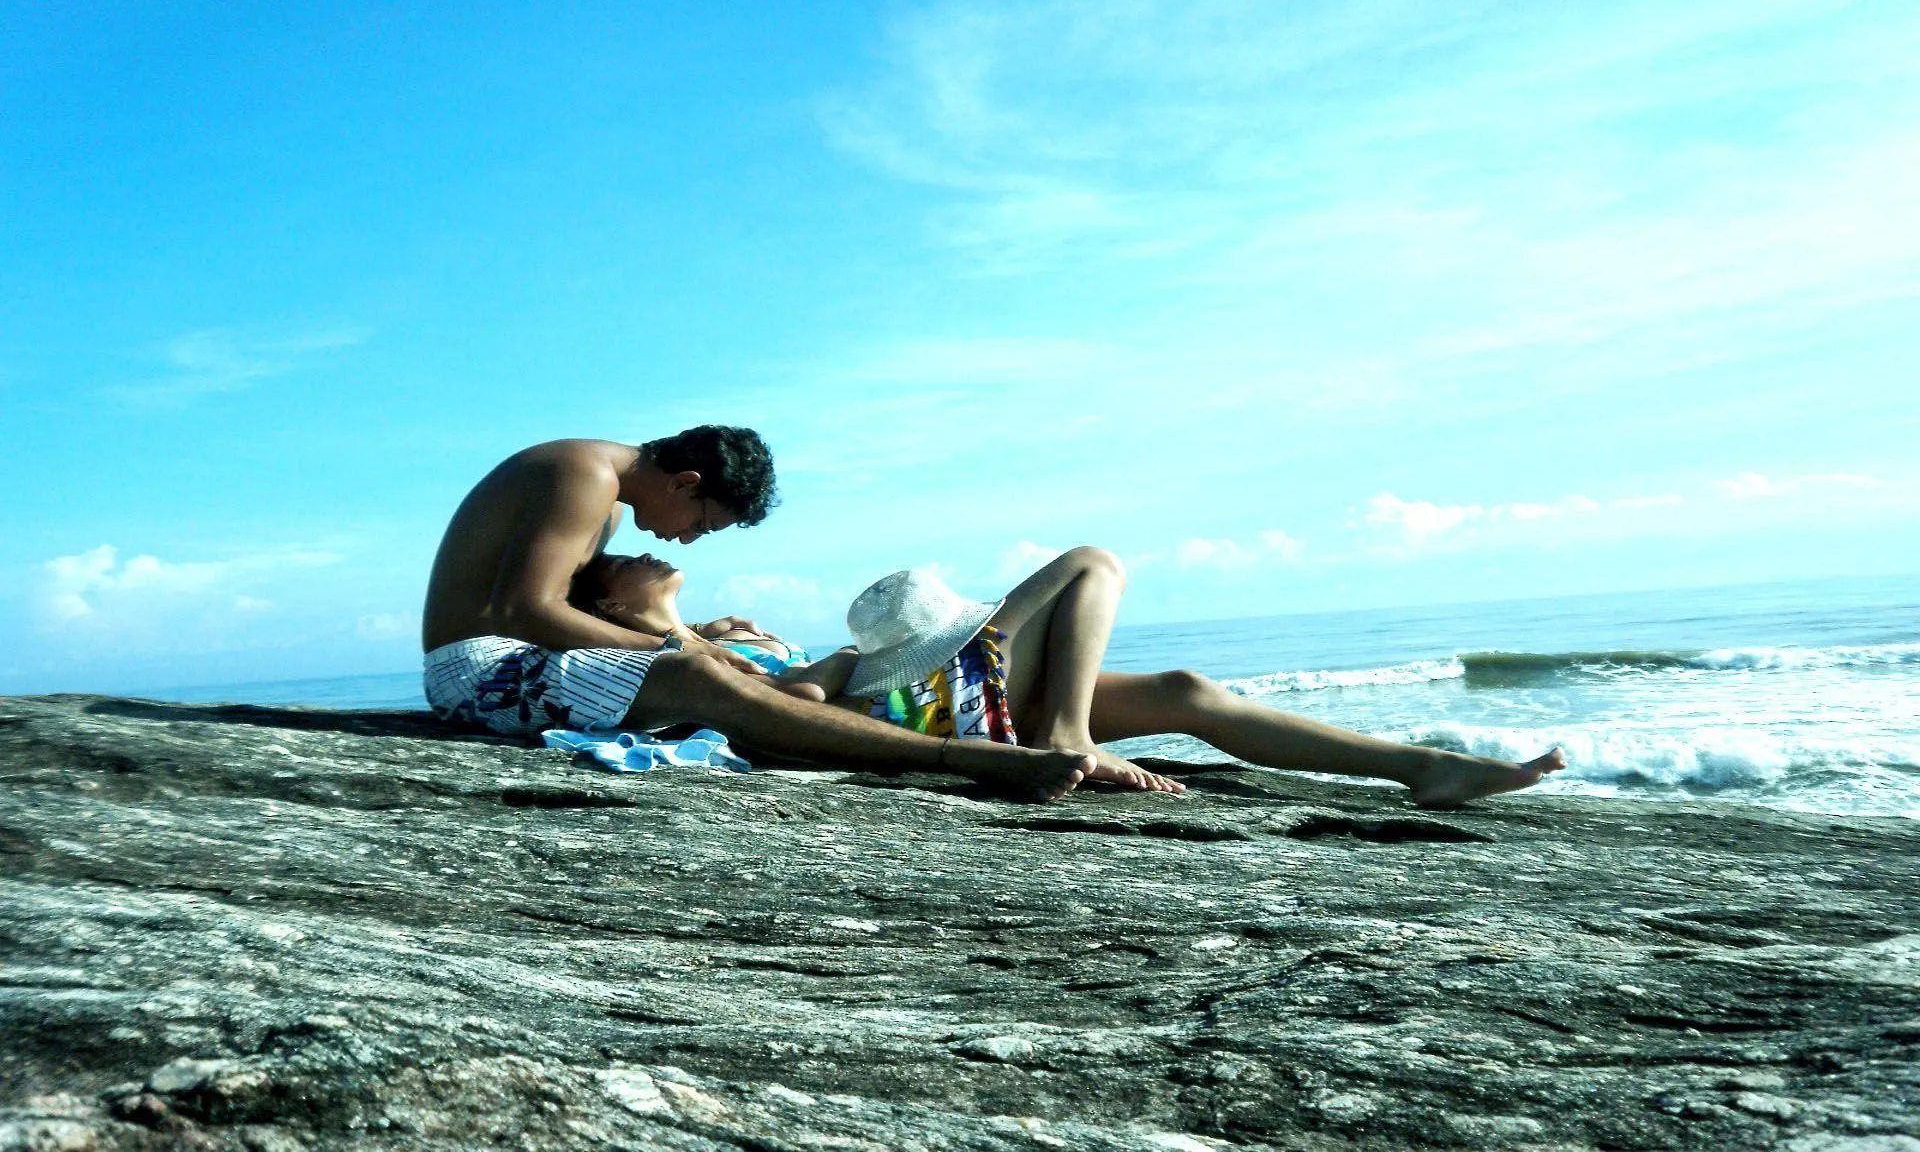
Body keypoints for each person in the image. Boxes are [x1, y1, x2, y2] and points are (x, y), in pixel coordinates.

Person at [568, 546, 1567, 808]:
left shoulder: (703, 631)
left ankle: (1422, 767)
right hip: (914, 705)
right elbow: (781, 711)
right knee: (1091, 562)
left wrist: (728, 634)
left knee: (1182, 692)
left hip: (936, 692)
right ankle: (1069, 736)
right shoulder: (657, 651)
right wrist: (816, 669)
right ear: (610, 602)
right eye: (627, 564)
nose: (656, 554)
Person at [421, 429, 1098, 801]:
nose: (686, 540)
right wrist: (679, 649)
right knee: (703, 681)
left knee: (719, 678)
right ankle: (967, 756)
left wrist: (694, 634)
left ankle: (936, 737)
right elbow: (526, 609)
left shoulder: (598, 488)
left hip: (517, 661)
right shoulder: (585, 474)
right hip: (478, 670)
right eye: (701, 523)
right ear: (686, 482)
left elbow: (557, 609)